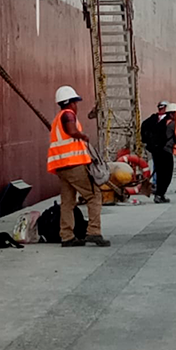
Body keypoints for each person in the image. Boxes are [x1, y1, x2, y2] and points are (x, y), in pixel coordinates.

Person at [47, 86, 110, 247]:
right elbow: (71, 130)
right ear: (71, 102)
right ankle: (94, 232)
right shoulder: (68, 114)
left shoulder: (56, 120)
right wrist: (83, 135)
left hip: (61, 167)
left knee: (67, 202)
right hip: (74, 165)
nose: (77, 106)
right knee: (94, 195)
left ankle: (67, 236)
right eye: (76, 102)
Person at [148, 103, 176, 203]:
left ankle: (159, 194)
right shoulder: (173, 124)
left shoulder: (160, 122)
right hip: (166, 151)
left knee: (160, 174)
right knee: (167, 175)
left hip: (157, 151)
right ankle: (160, 194)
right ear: (172, 114)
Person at [141, 101, 168, 189]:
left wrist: (146, 141)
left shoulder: (151, 120)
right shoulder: (167, 120)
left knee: (157, 165)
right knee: (162, 166)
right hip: (162, 147)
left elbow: (143, 128)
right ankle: (158, 184)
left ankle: (157, 183)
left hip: (155, 147)